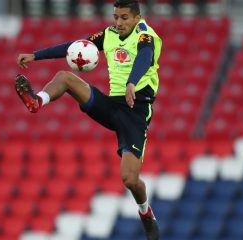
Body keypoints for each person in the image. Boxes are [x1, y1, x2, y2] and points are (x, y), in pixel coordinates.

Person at [15, 0, 162, 239]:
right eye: (116, 17)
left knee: (130, 179)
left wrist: (132, 82)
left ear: (137, 18)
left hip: (135, 111)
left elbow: (144, 57)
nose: (119, 22)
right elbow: (76, 46)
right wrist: (35, 55)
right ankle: (37, 101)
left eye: (124, 17)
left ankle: (146, 212)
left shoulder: (146, 36)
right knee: (65, 77)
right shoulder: (110, 34)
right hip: (112, 105)